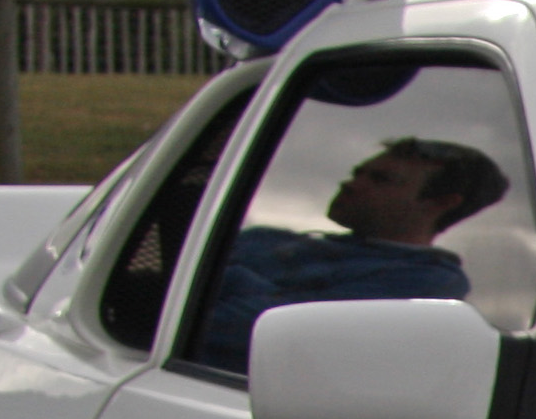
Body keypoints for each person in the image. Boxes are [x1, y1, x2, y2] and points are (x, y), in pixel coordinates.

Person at [196, 137, 508, 370]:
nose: (351, 184)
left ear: (440, 203)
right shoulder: (263, 238)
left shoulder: (424, 281)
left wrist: (220, 279)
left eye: (379, 179)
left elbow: (266, 331)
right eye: (358, 172)